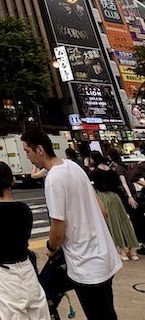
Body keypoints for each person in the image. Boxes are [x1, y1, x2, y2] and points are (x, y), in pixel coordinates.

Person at [21, 129, 121, 320]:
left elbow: (58, 228)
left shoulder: (53, 180)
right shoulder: (73, 167)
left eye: (27, 151)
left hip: (85, 263)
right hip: (104, 256)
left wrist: (51, 247)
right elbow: (103, 211)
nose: (28, 157)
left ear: (39, 150)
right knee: (107, 313)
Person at [0, 161, 49, 320]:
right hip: (26, 267)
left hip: (4, 270)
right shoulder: (24, 209)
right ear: (12, 181)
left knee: (12, 313)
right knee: (38, 313)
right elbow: (25, 235)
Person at [88, 151, 140, 260]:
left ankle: (121, 251)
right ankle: (131, 250)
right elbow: (119, 184)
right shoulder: (111, 171)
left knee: (112, 223)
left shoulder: (94, 173)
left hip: (103, 198)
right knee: (123, 222)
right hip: (115, 198)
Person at [109, 149, 145, 247]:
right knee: (138, 218)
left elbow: (125, 183)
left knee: (136, 218)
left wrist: (129, 196)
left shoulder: (119, 169)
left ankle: (141, 241)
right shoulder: (123, 167)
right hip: (132, 194)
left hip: (130, 196)